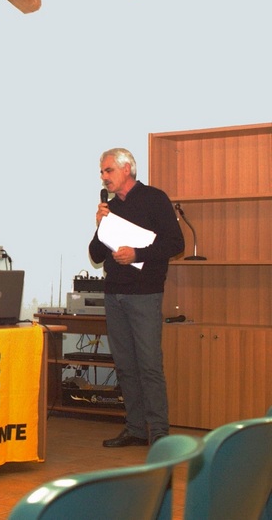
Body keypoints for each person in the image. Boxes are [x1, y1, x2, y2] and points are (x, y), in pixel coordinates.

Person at [89, 148, 184, 447]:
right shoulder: (110, 207)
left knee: (149, 365)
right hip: (114, 294)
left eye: (108, 171)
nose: (104, 177)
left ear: (127, 168)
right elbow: (95, 254)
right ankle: (135, 429)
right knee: (125, 366)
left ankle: (159, 434)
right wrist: (99, 225)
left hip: (144, 294)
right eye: (102, 172)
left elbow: (176, 242)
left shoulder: (155, 199)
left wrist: (137, 254)